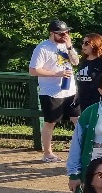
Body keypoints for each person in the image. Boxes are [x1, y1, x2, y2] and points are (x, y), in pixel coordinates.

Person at [28, 19, 81, 162]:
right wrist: (56, 74)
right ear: (52, 33)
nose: (65, 35)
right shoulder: (42, 48)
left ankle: (81, 150)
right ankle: (47, 153)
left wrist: (70, 47)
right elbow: (33, 70)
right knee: (51, 122)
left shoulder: (66, 46)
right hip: (51, 92)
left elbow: (76, 62)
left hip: (70, 91)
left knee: (78, 120)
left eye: (67, 32)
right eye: (61, 33)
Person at [73, 32, 102, 111]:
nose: (83, 46)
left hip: (98, 105)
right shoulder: (85, 61)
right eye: (83, 43)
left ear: (95, 44)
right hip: (83, 104)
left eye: (86, 43)